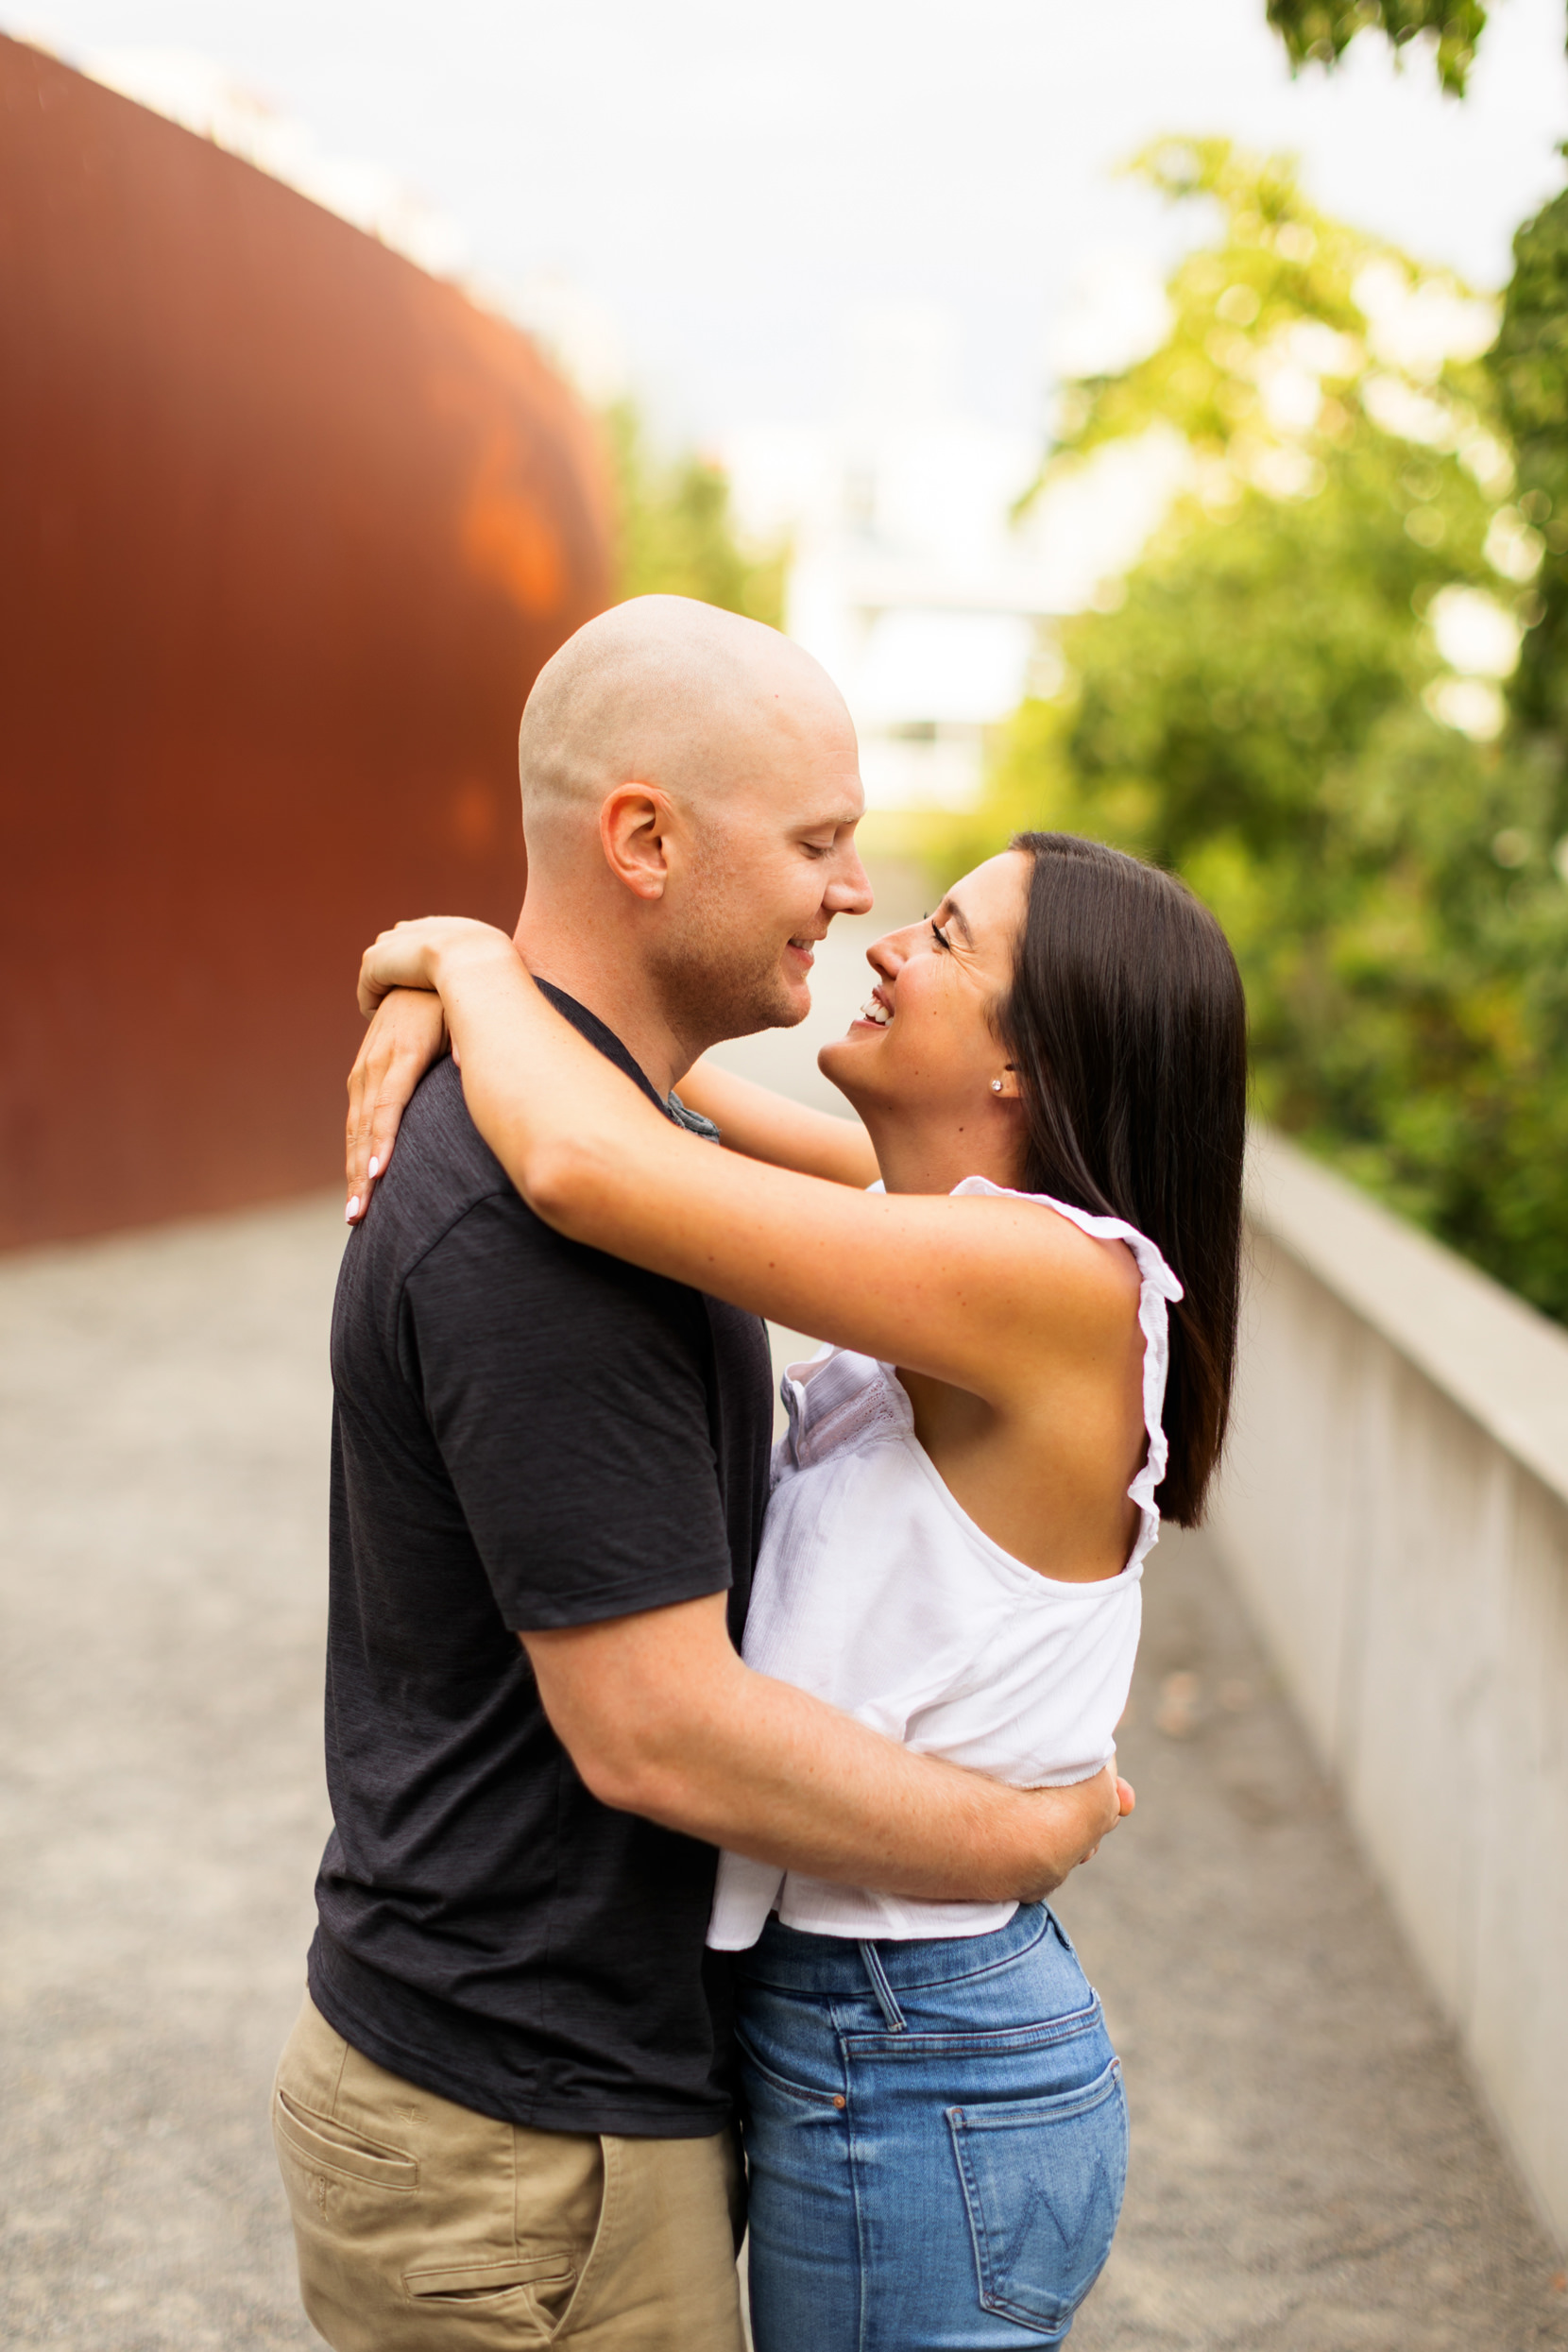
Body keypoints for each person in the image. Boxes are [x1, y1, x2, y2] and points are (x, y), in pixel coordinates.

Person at [272, 596, 1128, 2352]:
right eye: (821, 840)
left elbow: (626, 1144)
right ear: (646, 840)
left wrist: (462, 957)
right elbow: (655, 1725)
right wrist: (1020, 1835)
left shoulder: (673, 1158)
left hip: (584, 2095)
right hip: (529, 2134)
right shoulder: (549, 1212)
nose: (859, 898)